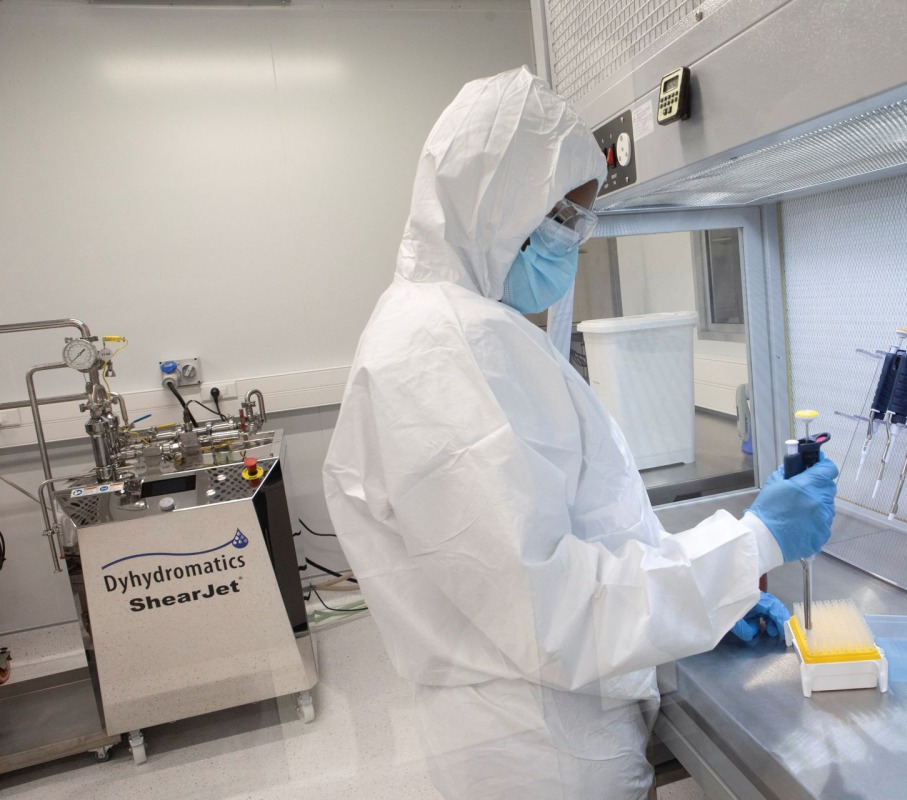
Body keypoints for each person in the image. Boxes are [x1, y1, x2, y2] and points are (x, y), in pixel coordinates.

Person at [323, 66, 838, 800]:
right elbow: (555, 608)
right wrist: (753, 544)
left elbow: (581, 535)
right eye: (567, 219)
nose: (576, 242)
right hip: (539, 749)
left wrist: (713, 595)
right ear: (500, 207)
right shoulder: (438, 353)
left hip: (545, 719)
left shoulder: (463, 330)